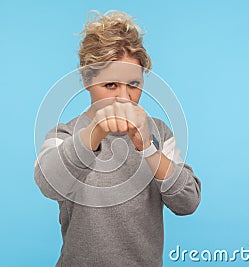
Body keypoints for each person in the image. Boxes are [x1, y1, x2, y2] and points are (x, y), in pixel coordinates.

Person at [34, 10, 201, 267]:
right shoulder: (64, 135)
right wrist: (96, 131)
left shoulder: (159, 133)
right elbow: (47, 184)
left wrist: (147, 149)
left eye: (133, 84)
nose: (124, 97)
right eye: (110, 85)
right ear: (87, 80)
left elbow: (188, 202)